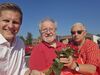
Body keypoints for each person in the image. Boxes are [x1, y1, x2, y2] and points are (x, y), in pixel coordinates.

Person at [0, 2, 35, 75]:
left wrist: (31, 73)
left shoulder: (20, 43)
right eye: (6, 20)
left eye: (15, 22)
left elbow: (22, 69)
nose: (10, 26)